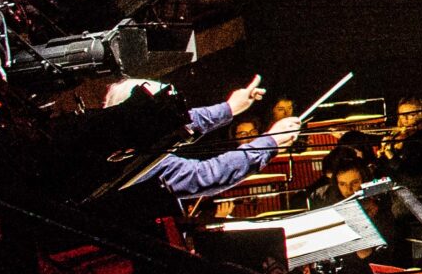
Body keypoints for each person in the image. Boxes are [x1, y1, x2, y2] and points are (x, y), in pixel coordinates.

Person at [122, 74, 302, 207]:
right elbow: (203, 175)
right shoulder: (131, 158)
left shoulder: (125, 133)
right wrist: (269, 142)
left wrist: (229, 108)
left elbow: (181, 121)